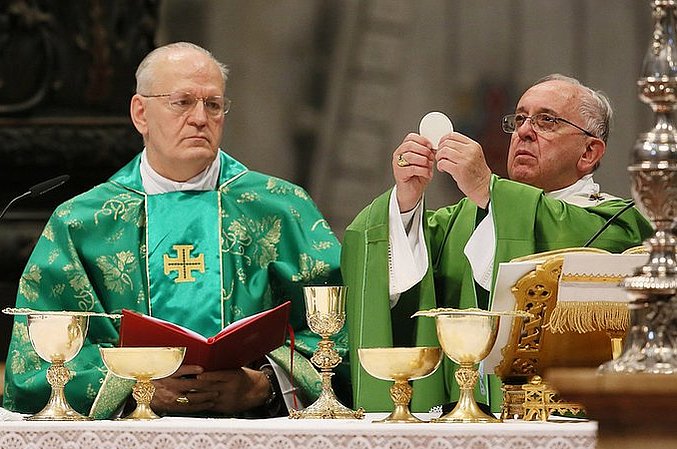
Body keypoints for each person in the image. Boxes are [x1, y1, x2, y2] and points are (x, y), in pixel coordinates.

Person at [3, 42, 346, 418]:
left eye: (213, 104)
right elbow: (37, 360)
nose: (200, 118)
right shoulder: (82, 222)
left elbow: (340, 333)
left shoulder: (280, 208)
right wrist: (135, 388)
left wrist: (264, 384)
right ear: (141, 113)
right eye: (182, 102)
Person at [342, 74, 654, 414]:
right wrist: (406, 200)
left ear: (589, 151)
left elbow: (566, 235)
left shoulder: (617, 223)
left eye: (546, 121)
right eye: (519, 119)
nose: (524, 132)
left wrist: (487, 188)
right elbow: (377, 249)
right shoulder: (466, 217)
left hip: (569, 419)